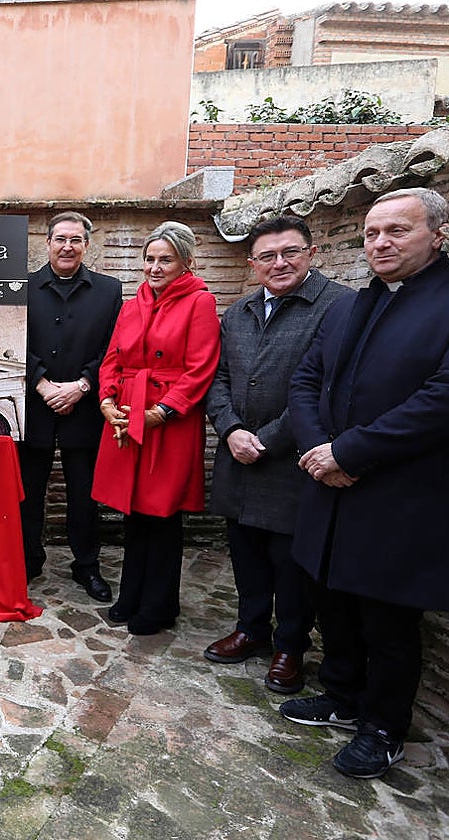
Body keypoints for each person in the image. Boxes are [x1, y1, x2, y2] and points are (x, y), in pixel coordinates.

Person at [282, 187, 449, 780]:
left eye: (397, 231)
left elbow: (439, 400)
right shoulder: (350, 306)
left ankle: (382, 727)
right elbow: (306, 380)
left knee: (389, 616)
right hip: (328, 482)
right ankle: (341, 693)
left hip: (398, 491)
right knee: (333, 596)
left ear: (438, 233)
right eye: (373, 232)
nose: (380, 242)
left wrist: (348, 451)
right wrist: (316, 450)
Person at [205, 216, 350, 694]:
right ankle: (251, 629)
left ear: (311, 254)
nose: (279, 263)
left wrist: (265, 438)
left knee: (291, 561)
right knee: (244, 551)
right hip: (237, 454)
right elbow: (219, 379)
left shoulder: (338, 308)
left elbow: (325, 390)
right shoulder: (240, 311)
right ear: (252, 265)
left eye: (289, 252)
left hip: (292, 461)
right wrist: (230, 430)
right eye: (267, 256)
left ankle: (290, 645)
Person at [91, 221, 220, 635]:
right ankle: (131, 594)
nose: (155, 267)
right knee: (133, 512)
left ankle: (159, 604)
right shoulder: (133, 304)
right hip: (128, 413)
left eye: (166, 259)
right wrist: (108, 401)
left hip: (170, 421)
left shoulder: (200, 302)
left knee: (161, 514)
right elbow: (112, 358)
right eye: (149, 259)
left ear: (186, 262)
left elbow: (201, 369)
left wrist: (162, 412)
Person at [20, 211, 122, 600]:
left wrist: (82, 385)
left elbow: (114, 348)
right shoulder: (22, 287)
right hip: (34, 404)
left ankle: (87, 566)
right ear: (46, 243)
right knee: (29, 491)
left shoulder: (109, 290)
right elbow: (11, 337)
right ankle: (29, 560)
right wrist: (43, 384)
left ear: (86, 245)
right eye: (60, 239)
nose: (67, 246)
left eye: (75, 240)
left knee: (85, 493)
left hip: (85, 406)